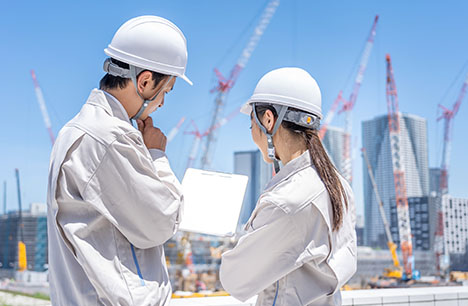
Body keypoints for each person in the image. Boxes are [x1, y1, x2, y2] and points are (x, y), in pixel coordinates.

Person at [46, 15, 192, 305]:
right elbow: (163, 220)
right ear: (145, 81)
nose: (162, 103)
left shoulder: (79, 129)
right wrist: (156, 155)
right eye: (166, 91)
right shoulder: (108, 137)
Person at [219, 67, 357, 305]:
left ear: (268, 120)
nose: (252, 132)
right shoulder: (339, 186)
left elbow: (234, 278)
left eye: (252, 123)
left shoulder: (288, 202)